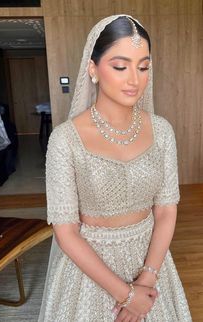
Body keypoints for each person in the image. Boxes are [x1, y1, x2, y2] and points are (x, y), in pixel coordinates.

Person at [38, 14, 192, 322]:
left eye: (143, 66)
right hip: (90, 271)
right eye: (120, 66)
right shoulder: (65, 140)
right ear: (93, 70)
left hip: (151, 262)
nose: (134, 79)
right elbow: (66, 231)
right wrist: (127, 295)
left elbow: (165, 210)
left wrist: (147, 279)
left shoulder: (162, 132)